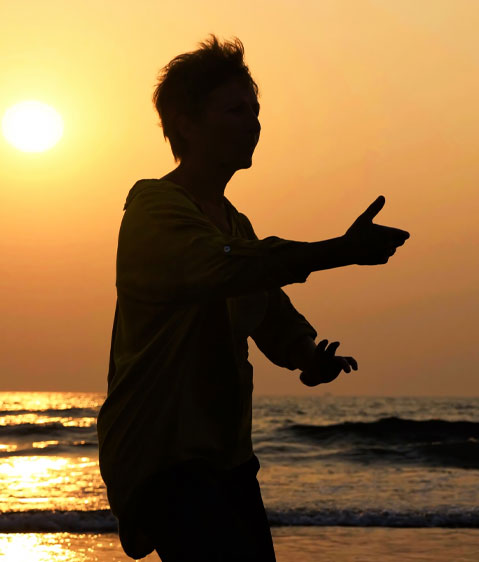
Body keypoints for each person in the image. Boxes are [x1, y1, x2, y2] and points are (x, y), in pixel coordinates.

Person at [97, 35, 410, 561]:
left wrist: (308, 355)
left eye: (256, 109)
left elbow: (267, 306)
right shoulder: (154, 208)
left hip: (227, 456)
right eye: (235, 109)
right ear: (186, 123)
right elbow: (226, 268)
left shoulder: (234, 223)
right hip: (164, 453)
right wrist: (341, 250)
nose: (254, 122)